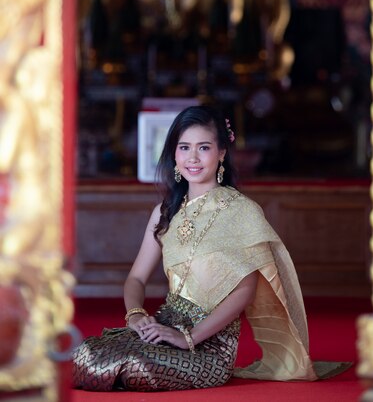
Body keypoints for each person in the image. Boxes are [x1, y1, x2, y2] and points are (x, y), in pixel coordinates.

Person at [73, 104, 348, 391]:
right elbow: (136, 278)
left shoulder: (242, 212)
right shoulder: (165, 212)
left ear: (222, 154)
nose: (192, 157)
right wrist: (137, 315)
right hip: (163, 327)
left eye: (203, 148)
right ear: (174, 154)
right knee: (87, 356)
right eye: (184, 147)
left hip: (209, 348)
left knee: (134, 366)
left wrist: (187, 338)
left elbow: (245, 290)